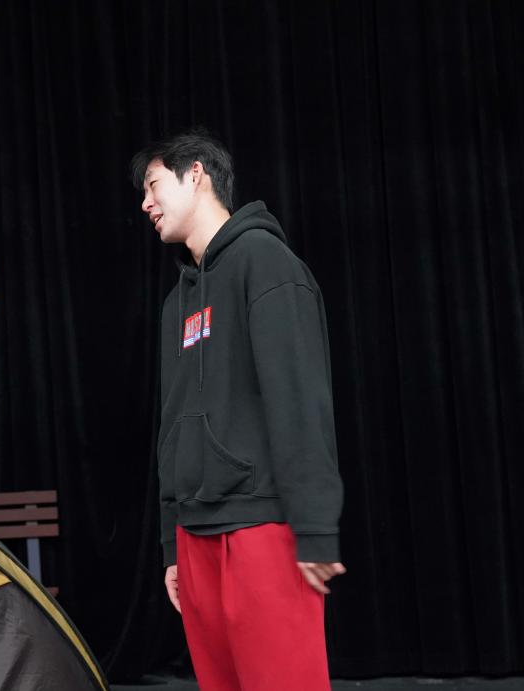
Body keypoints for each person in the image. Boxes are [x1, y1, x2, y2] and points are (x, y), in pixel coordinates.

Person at [131, 130, 345, 691]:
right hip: (195, 538)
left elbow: (299, 400)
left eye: (153, 185)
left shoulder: (266, 264)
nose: (145, 203)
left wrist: (316, 527)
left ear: (195, 174)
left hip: (262, 529)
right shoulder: (176, 303)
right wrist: (171, 543)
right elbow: (171, 423)